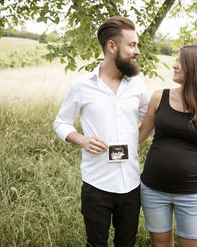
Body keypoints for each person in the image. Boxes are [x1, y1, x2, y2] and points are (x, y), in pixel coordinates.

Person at [53, 16, 149, 247]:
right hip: (97, 185)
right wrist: (82, 140)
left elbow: (153, 124)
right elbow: (61, 122)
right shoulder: (81, 86)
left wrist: (188, 147)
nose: (137, 51)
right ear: (112, 46)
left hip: (131, 185)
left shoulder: (137, 85)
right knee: (96, 244)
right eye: (132, 45)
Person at [138, 45, 197, 247]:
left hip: (192, 194)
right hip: (153, 190)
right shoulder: (160, 97)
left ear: (195, 68)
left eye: (180, 61)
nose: (174, 65)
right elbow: (140, 134)